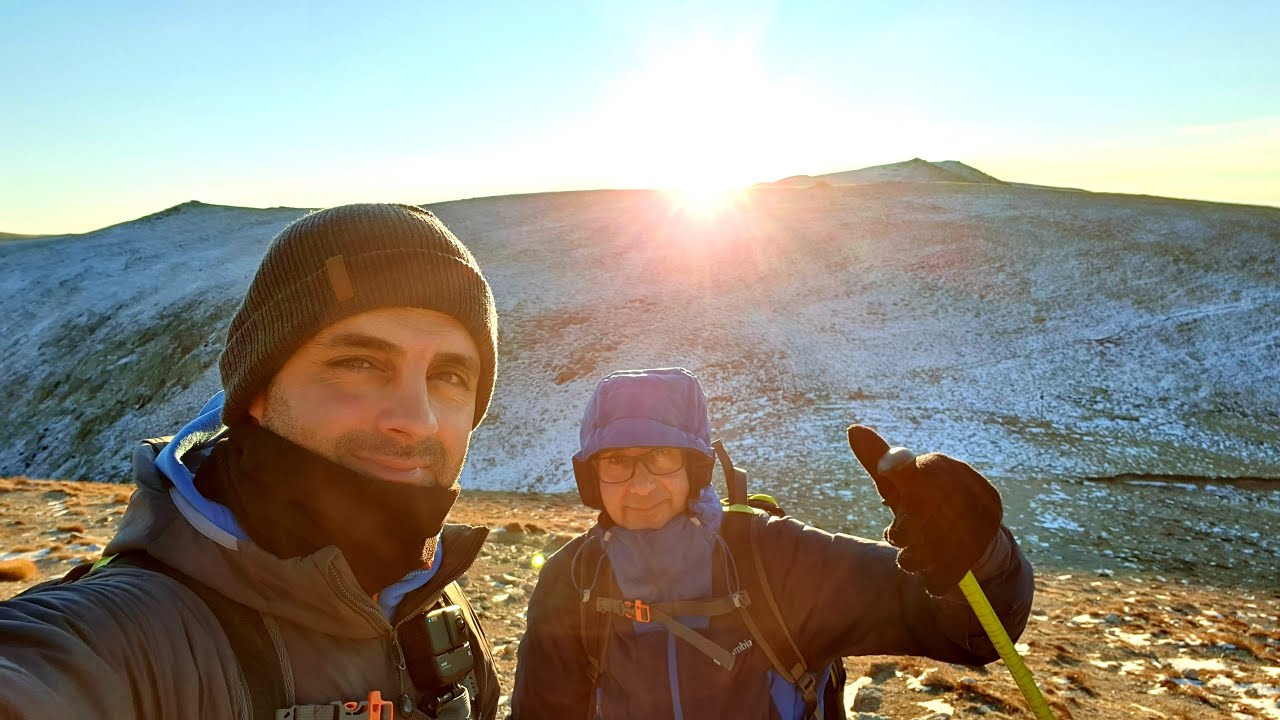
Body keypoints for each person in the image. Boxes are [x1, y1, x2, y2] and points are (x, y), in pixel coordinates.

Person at [0, 204, 502, 719]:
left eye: (450, 375)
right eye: (360, 363)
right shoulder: (117, 638)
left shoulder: (433, 598)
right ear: (256, 391)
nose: (416, 419)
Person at [509, 367, 1035, 719]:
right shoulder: (571, 581)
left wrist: (978, 553)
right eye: (617, 462)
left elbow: (975, 635)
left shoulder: (779, 559)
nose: (640, 484)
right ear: (592, 479)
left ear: (695, 469)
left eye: (662, 458)